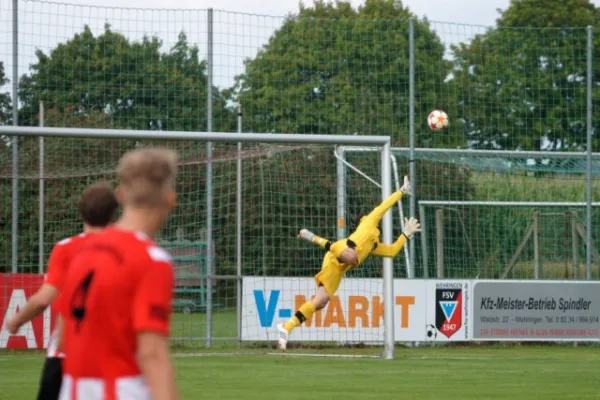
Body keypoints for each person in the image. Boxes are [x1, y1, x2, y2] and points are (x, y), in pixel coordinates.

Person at [58, 147, 180, 400]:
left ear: (120, 195)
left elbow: (62, 337)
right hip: (121, 390)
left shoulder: (81, 250)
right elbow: (152, 354)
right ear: (170, 198)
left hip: (72, 389)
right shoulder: (151, 260)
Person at [277, 177, 421, 351]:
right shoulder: (369, 221)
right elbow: (384, 206)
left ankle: (286, 327)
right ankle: (313, 238)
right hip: (339, 251)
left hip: (338, 268)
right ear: (362, 220)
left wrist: (405, 234)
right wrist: (402, 191)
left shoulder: (374, 245)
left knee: (321, 302)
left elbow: (391, 251)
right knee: (352, 257)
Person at [5, 183, 118, 400]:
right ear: (113, 214)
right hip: (110, 354)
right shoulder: (127, 250)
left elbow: (43, 300)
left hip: (67, 351)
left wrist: (16, 320)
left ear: (81, 212)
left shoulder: (66, 248)